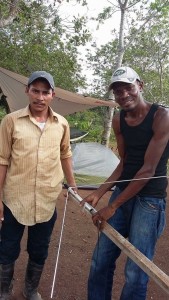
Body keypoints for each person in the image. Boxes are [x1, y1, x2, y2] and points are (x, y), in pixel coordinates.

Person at [82, 66, 169, 300]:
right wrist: (100, 193)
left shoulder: (162, 117)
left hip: (149, 201)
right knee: (101, 260)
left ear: (140, 86)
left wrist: (113, 206)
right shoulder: (119, 120)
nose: (123, 95)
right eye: (118, 91)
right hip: (123, 191)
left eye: (128, 87)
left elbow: (147, 170)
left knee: (136, 270)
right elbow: (124, 164)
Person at [0, 71, 76, 300]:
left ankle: (31, 289)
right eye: (36, 91)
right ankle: (4, 289)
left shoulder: (61, 124)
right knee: (7, 249)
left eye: (45, 92)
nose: (40, 97)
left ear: (53, 95)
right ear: (27, 91)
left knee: (40, 249)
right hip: (15, 199)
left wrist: (72, 184)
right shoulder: (11, 121)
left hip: (46, 200)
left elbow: (65, 154)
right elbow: (2, 159)